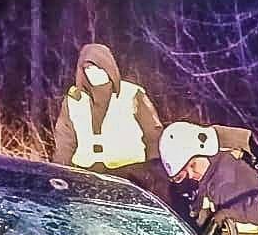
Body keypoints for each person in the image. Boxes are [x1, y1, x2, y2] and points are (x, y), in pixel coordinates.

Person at [51, 43, 172, 201]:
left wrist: (156, 170)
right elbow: (65, 140)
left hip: (130, 173)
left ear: (109, 67)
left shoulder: (132, 94)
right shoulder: (74, 99)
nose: (94, 74)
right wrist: (60, 171)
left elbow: (153, 133)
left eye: (99, 68)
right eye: (88, 69)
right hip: (86, 173)